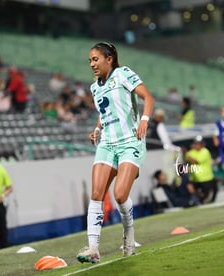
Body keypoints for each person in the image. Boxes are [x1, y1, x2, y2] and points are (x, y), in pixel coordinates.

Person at [76, 42, 154, 263]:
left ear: (109, 59)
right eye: (90, 60)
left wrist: (145, 121)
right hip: (107, 143)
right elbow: (104, 110)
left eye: (95, 59)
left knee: (120, 195)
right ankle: (93, 248)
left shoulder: (123, 74)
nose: (92, 64)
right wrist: (97, 128)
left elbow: (148, 97)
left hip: (130, 140)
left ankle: (129, 235)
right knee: (97, 193)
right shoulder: (95, 87)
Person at [185, 135, 218, 204]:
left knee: (210, 193)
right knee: (198, 195)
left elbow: (196, 161)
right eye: (196, 143)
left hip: (206, 178)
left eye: (199, 143)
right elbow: (185, 160)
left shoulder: (205, 151)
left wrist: (186, 154)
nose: (197, 145)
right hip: (195, 178)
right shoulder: (191, 152)